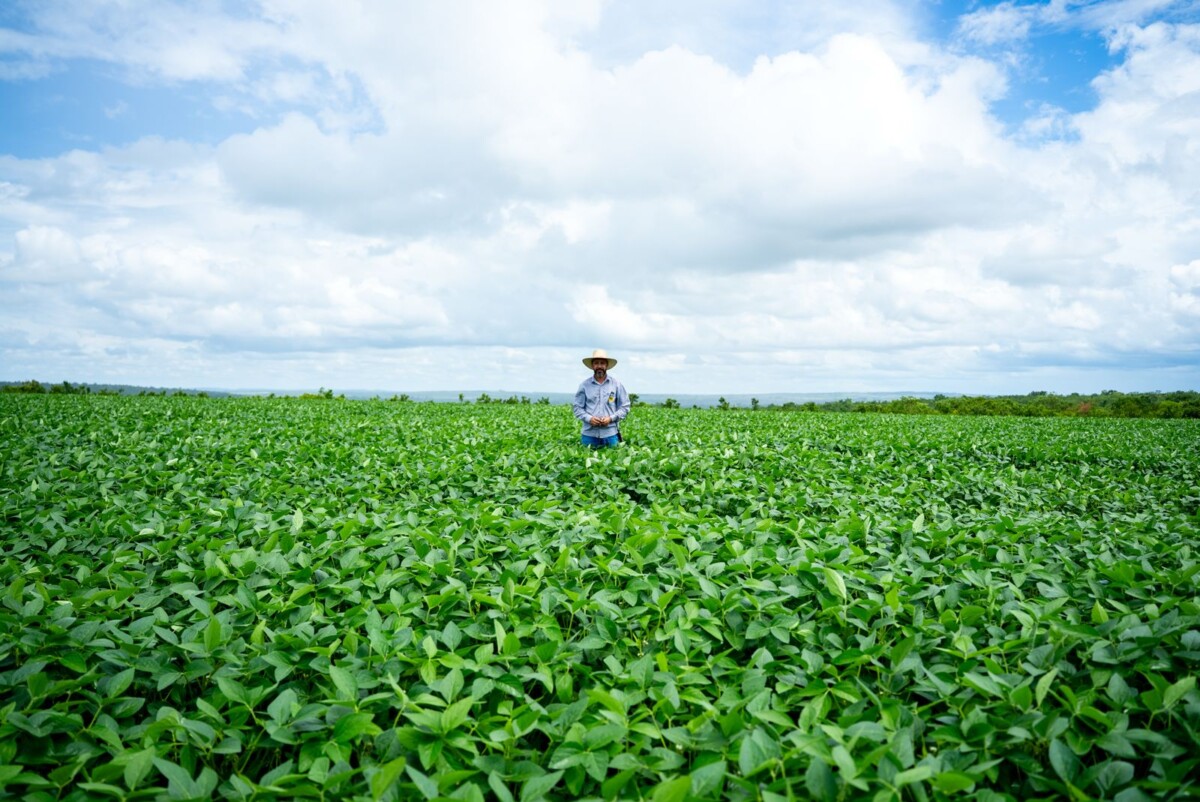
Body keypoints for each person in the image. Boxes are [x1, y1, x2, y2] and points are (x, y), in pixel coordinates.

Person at [573, 349, 631, 447]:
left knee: (614, 461)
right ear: (592, 366)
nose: (599, 366)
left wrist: (611, 418)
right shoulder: (584, 385)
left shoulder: (616, 385)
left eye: (602, 363)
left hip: (611, 434)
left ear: (606, 366)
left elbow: (625, 407)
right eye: (596, 363)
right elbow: (577, 408)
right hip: (589, 435)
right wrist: (589, 418)